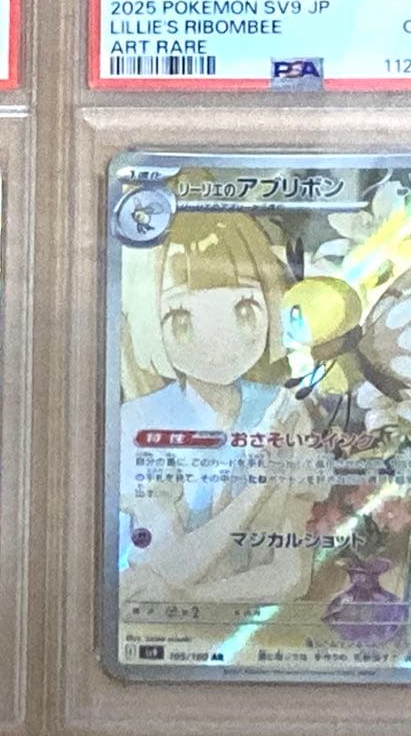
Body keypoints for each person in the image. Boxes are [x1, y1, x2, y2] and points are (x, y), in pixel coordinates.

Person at [118, 211, 315, 603]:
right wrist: (257, 491)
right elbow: (171, 565)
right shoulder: (138, 421)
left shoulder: (286, 413)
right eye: (181, 318)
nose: (219, 339)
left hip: (256, 627)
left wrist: (186, 599)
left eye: (244, 310)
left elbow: (292, 574)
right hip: (154, 629)